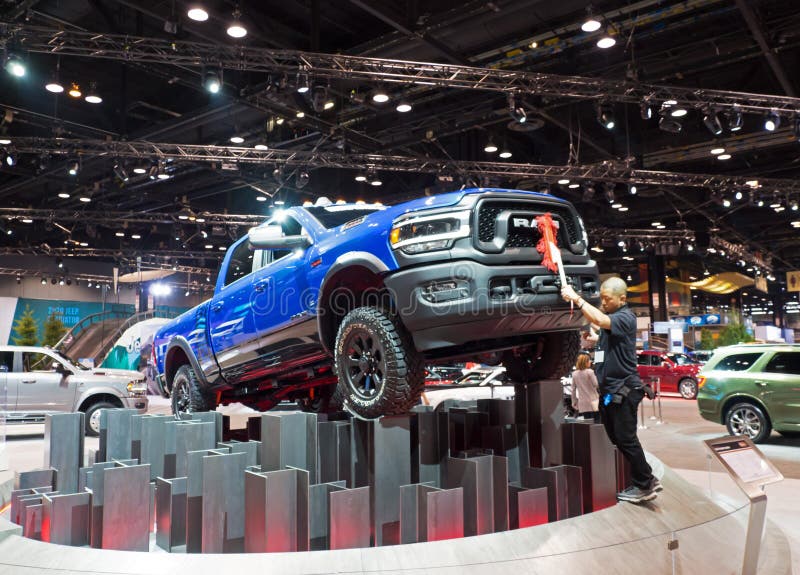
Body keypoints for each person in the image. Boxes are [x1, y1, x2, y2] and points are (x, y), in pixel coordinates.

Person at [561, 277, 660, 503]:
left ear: (622, 299)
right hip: (610, 393)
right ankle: (647, 478)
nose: (603, 303)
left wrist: (576, 298)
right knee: (618, 437)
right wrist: (595, 340)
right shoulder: (612, 324)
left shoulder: (624, 317)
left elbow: (599, 318)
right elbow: (604, 336)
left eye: (607, 299)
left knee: (626, 439)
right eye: (602, 299)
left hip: (623, 390)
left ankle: (644, 485)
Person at [571, 353, 600, 422]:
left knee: (588, 423)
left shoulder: (574, 374)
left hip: (582, 402)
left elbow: (573, 390)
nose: (590, 362)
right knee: (597, 422)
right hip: (594, 401)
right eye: (589, 360)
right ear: (585, 362)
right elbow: (596, 384)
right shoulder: (590, 372)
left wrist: (574, 401)